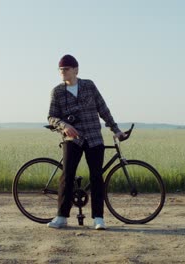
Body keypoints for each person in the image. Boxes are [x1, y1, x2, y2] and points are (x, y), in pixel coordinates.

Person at [47, 54, 125, 230]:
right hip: (71, 138)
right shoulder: (57, 92)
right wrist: (64, 125)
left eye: (66, 69)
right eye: (60, 69)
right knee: (67, 175)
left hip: (94, 137)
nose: (62, 72)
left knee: (97, 177)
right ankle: (61, 217)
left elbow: (103, 109)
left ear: (76, 70)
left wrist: (116, 130)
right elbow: (51, 116)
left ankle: (98, 218)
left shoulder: (89, 86)